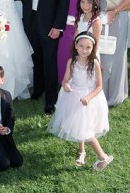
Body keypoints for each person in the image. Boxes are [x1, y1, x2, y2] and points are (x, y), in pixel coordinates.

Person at [48, 33, 113, 170]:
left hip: (90, 99)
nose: (84, 50)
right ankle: (82, 151)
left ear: (93, 48)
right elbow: (65, 80)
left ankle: (103, 157)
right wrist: (66, 85)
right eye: (81, 46)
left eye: (88, 47)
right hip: (74, 97)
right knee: (79, 125)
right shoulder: (72, 61)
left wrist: (88, 98)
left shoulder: (94, 63)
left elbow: (99, 86)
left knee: (86, 130)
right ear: (76, 46)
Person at [17, 0, 66, 114]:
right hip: (30, 21)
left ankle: (51, 99)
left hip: (50, 24)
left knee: (49, 61)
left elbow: (63, 1)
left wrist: (58, 26)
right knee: (36, 58)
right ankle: (38, 90)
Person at [54, 0, 93, 84]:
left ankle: (79, 84)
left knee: (78, 57)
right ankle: (63, 84)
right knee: (63, 56)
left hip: (81, 26)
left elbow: (93, 4)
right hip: (62, 28)